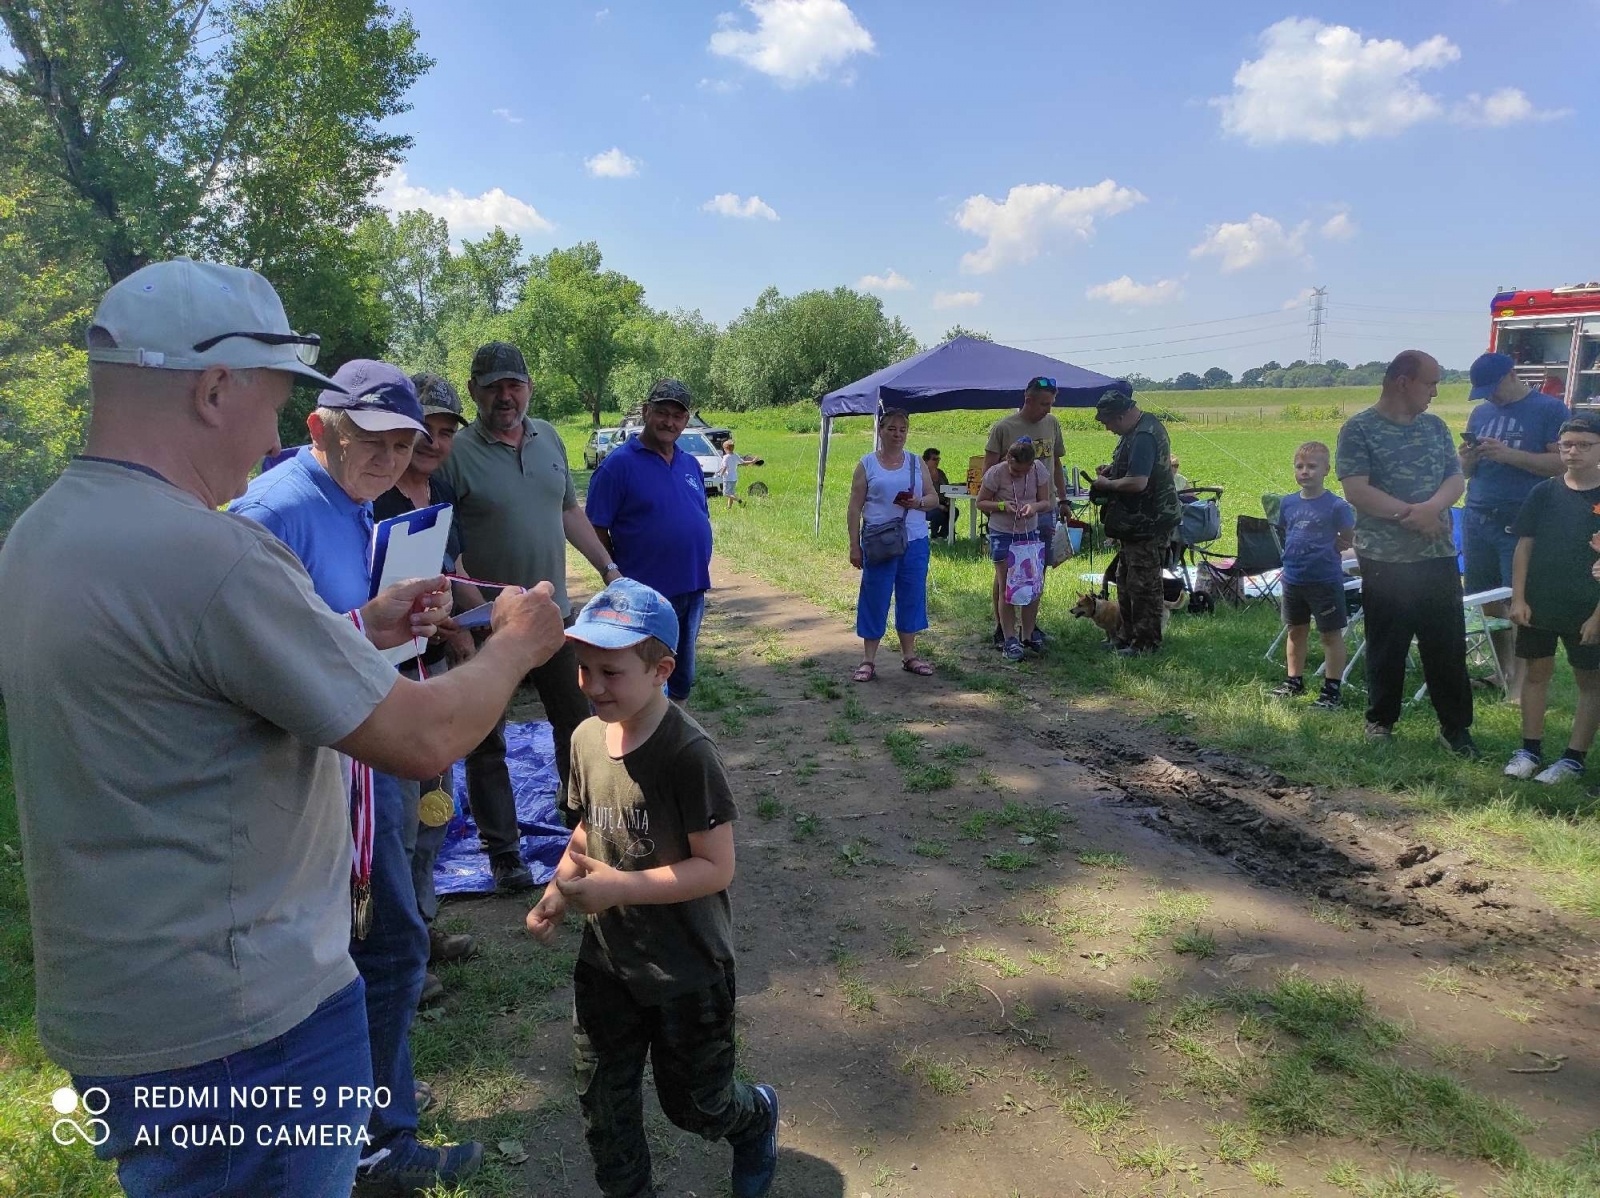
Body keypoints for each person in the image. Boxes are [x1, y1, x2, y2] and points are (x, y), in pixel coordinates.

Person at [0, 258, 566, 1198]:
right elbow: (422, 737)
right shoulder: (216, 554)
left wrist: (352, 631)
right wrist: (514, 645)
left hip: (125, 1011)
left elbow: (182, 695)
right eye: (269, 399)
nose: (273, 432)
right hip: (245, 1022)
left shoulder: (42, 534)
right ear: (215, 386)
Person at [229, 360, 485, 1190]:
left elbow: (336, 634)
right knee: (387, 944)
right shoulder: (272, 515)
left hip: (361, 759)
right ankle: (376, 1140)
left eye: (402, 444)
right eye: (367, 439)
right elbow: (244, 659)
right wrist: (363, 625)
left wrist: (404, 619)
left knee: (387, 944)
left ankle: (366, 1129)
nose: (385, 458)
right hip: (323, 779)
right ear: (319, 428)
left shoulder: (350, 504)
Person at [524, 580, 780, 1198]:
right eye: (583, 669)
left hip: (687, 967)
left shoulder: (688, 755)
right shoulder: (586, 739)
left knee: (697, 1106)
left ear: (662, 669)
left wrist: (621, 888)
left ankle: (756, 1116)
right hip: (607, 962)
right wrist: (559, 889)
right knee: (602, 1109)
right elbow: (588, 827)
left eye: (610, 672)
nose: (591, 685)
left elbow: (715, 868)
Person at [440, 341, 622, 883]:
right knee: (484, 737)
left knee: (578, 722)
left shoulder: (549, 437)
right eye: (493, 385)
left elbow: (568, 509)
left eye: (513, 384)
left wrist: (609, 569)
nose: (505, 395)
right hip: (490, 627)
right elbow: (444, 549)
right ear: (473, 390)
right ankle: (504, 854)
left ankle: (580, 825)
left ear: (529, 388)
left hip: (555, 617)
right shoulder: (455, 454)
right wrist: (479, 611)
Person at [372, 372, 483, 1008]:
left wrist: (481, 620)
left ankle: (421, 925)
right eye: (426, 432)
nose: (435, 443)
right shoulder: (374, 498)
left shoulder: (438, 490)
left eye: (445, 433)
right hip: (386, 678)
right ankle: (398, 954)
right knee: (394, 819)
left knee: (433, 807)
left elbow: (455, 571)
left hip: (433, 665)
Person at [1335, 350, 1476, 755]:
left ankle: (1455, 729)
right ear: (1402, 382)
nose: (1434, 391)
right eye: (1430, 383)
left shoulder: (1434, 427)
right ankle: (1380, 721)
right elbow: (1357, 490)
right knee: (1387, 643)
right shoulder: (1359, 429)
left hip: (1437, 554)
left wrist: (1432, 510)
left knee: (1446, 645)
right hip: (1385, 558)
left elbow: (1455, 477)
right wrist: (1410, 515)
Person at [587, 378, 715, 701]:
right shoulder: (618, 466)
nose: (669, 421)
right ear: (646, 412)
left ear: (686, 420)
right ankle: (643, 744)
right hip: (645, 597)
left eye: (678, 415)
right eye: (662, 412)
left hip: (693, 587)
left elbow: (698, 516)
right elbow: (595, 527)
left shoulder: (690, 464)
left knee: (681, 676)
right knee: (646, 678)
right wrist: (612, 572)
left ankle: (673, 738)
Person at [1459, 351, 1565, 703]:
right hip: (1477, 514)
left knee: (1519, 602)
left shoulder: (1549, 410)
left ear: (1511, 375)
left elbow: (1561, 465)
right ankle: (1502, 670)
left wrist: (1510, 455)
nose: (1489, 396)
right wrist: (1469, 459)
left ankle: (1521, 685)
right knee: (1487, 600)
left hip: (1519, 520)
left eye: (1493, 388)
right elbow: (1466, 472)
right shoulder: (1481, 412)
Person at [1503, 415, 1600, 783]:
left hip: (1588, 608)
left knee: (1590, 681)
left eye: (1584, 444)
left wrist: (1597, 615)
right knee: (1535, 674)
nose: (1573, 451)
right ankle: (1529, 749)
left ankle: (1574, 758)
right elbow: (1524, 546)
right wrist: (1519, 598)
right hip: (1540, 602)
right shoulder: (1544, 492)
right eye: (1566, 445)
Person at [846, 407, 940, 681]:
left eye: (903, 429)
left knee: (911, 596)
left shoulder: (915, 462)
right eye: (892, 429)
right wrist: (854, 545)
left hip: (915, 540)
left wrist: (919, 503)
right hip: (879, 542)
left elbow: (934, 498)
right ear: (880, 431)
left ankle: (909, 655)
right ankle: (868, 660)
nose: (898, 434)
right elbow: (854, 508)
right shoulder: (867, 464)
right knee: (875, 596)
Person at [1090, 390, 1181, 656]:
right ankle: (1126, 635)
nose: (1108, 428)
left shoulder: (1143, 435)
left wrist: (1107, 484)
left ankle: (1146, 642)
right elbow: (1135, 470)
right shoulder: (1137, 429)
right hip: (1134, 523)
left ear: (1121, 415)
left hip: (1149, 522)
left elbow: (1138, 482)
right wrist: (1113, 470)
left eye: (1109, 422)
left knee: (1143, 584)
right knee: (1126, 579)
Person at [983, 378, 1071, 645]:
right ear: (1028, 399)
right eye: (1044, 403)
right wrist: (997, 509)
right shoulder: (1004, 427)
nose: (1048, 409)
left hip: (1042, 509)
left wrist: (1063, 499)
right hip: (1010, 515)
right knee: (1006, 572)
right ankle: (1003, 628)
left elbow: (1055, 463)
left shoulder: (1052, 423)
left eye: (1051, 403)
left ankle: (1030, 629)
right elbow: (988, 471)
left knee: (1036, 569)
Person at [1270, 442, 1356, 709]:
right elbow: (1286, 531)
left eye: (1311, 467)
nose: (1305, 472)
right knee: (1295, 631)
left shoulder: (1336, 505)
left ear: (1326, 470)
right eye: (1299, 467)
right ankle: (1293, 682)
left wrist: (1341, 544)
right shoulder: (1288, 503)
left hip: (1325, 580)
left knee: (1330, 634)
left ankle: (1331, 691)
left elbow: (1348, 534)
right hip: (1294, 578)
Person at [978, 438, 1050, 659]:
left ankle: (1028, 634)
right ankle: (1009, 637)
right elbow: (981, 502)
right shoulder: (995, 473)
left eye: (1025, 471)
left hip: (1029, 534)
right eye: (1016, 471)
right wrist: (1002, 506)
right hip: (1003, 533)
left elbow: (1046, 502)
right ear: (1008, 459)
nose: (1020, 475)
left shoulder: (1038, 470)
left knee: (1032, 584)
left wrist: (1034, 507)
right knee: (1007, 586)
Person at [924, 447, 952, 539]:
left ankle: (943, 535)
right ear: (926, 460)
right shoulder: (922, 475)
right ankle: (934, 535)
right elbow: (922, 497)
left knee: (954, 511)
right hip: (927, 506)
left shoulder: (940, 473)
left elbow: (948, 488)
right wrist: (939, 506)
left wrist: (948, 502)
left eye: (938, 459)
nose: (937, 461)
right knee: (938, 513)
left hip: (943, 503)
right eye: (934, 459)